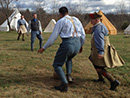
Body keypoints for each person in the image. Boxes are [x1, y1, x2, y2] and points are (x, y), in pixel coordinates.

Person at [38, 6, 86, 92]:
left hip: (68, 44)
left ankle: (64, 84)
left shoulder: (61, 21)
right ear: (67, 12)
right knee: (69, 58)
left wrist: (44, 47)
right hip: (77, 42)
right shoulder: (76, 19)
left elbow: (53, 37)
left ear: (60, 14)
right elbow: (83, 34)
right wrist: (81, 45)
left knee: (57, 65)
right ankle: (69, 76)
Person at [89, 12, 125, 90]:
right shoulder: (98, 26)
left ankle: (113, 81)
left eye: (92, 19)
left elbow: (100, 41)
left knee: (99, 68)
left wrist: (100, 52)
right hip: (96, 50)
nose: (90, 21)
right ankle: (101, 79)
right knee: (93, 61)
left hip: (100, 50)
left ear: (96, 20)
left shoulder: (99, 28)